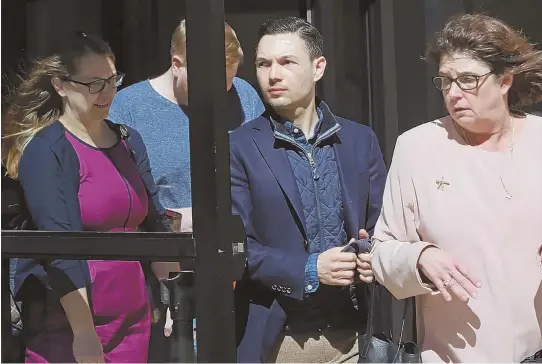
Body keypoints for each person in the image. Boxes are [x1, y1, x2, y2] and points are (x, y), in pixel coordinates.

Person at [359, 13, 542, 362]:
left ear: (505, 81)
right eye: (445, 82)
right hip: (452, 356)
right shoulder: (418, 147)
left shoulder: (539, 140)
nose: (454, 93)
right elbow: (381, 250)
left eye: (468, 80)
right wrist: (420, 257)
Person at [2, 32, 177, 363]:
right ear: (62, 85)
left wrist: (173, 300)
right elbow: (60, 247)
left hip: (135, 321)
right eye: (94, 84)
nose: (108, 92)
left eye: (113, 80)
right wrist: (84, 335)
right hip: (69, 324)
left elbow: (156, 225)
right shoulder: (47, 150)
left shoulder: (129, 141)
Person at [230, 16, 387, 363]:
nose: (272, 74)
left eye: (286, 62)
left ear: (318, 68)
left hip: (356, 339)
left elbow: (384, 229)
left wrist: (371, 257)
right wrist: (311, 269)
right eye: (263, 64)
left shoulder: (360, 141)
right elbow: (236, 249)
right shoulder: (238, 147)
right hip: (277, 341)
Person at [108, 19, 265, 232]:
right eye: (210, 82)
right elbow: (114, 198)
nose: (221, 92)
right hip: (167, 254)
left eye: (228, 80)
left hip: (243, 250)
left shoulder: (244, 97)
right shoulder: (127, 109)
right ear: (177, 65)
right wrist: (177, 220)